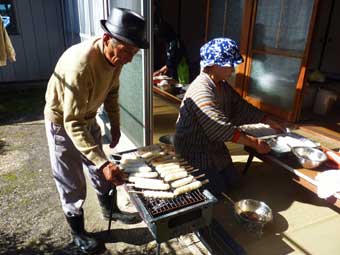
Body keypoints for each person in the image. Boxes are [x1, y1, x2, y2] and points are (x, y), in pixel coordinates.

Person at [44, 8, 149, 254]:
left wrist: (115, 126)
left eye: (134, 53)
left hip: (87, 116)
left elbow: (112, 93)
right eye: (126, 52)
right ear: (106, 40)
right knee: (71, 180)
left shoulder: (117, 56)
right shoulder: (80, 66)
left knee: (100, 170)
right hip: (63, 122)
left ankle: (110, 209)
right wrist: (103, 163)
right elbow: (72, 121)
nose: (129, 58)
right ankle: (78, 233)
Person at [174, 38, 284, 197]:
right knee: (217, 190)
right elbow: (220, 128)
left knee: (233, 181)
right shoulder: (201, 91)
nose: (232, 69)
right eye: (229, 65)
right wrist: (255, 143)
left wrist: (267, 119)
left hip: (213, 145)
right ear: (213, 64)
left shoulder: (221, 84)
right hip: (194, 149)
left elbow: (240, 106)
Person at [152, 1, 188, 82]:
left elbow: (170, 63)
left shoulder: (174, 43)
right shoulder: (169, 42)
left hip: (180, 70)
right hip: (175, 67)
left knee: (179, 81)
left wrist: (157, 73)